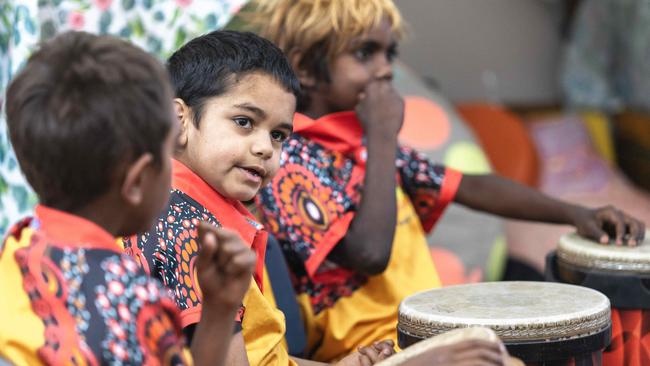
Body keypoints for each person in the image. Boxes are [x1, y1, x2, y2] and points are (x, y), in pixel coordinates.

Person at [248, 0, 647, 361]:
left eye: (390, 53)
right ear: (303, 68)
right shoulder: (289, 159)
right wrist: (383, 138)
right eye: (364, 53)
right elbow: (369, 254)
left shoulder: (363, 142)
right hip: (372, 350)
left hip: (423, 331)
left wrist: (578, 214)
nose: (385, 69)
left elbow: (469, 186)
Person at [125, 30, 400, 365]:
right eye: (244, 122)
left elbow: (265, 358)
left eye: (278, 135)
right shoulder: (181, 226)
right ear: (179, 120)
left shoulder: (205, 215)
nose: (265, 148)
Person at [0, 31, 256, 366]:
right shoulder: (133, 304)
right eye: (168, 157)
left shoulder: (17, 246)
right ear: (137, 181)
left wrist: (218, 310)